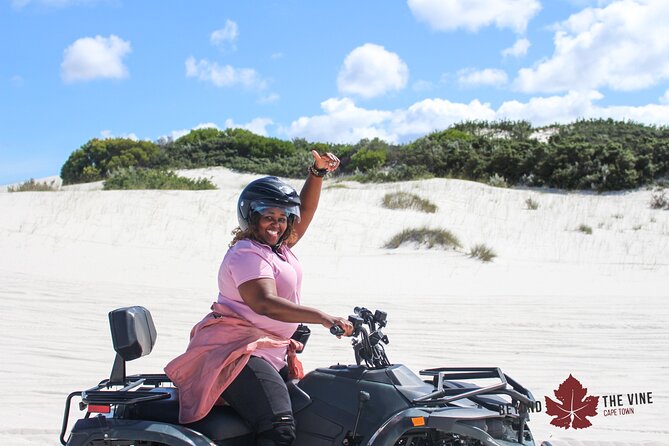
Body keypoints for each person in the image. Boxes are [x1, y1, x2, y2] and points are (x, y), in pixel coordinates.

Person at [165, 150, 354, 446]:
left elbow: (304, 212)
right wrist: (321, 317)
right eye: (268, 216)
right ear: (252, 217)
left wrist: (316, 175)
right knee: (278, 428)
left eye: (282, 218)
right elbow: (263, 303)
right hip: (236, 352)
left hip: (267, 350)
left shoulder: (278, 247)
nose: (276, 224)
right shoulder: (247, 253)